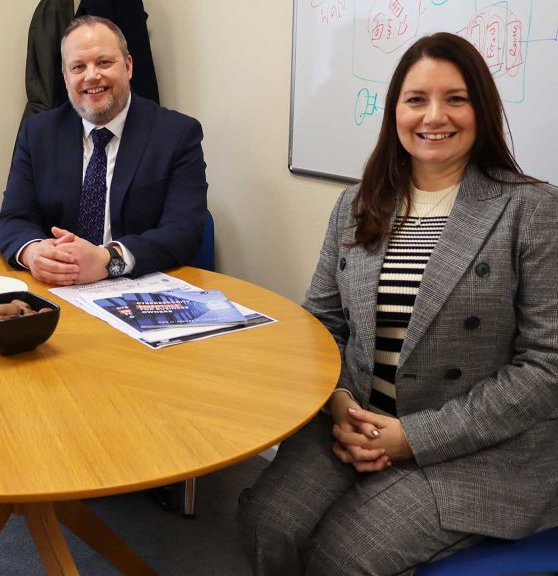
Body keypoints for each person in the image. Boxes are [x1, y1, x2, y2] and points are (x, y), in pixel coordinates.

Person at [236, 32, 558, 575]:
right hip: (356, 417)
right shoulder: (359, 204)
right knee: (268, 524)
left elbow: (546, 366)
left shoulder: (531, 208)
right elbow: (321, 323)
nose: (435, 116)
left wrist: (411, 437)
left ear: (482, 109)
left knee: (343, 556)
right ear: (395, 112)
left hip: (475, 444)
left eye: (456, 98)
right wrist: (340, 405)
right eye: (416, 99)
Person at [0, 15, 208, 286]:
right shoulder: (38, 133)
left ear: (128, 66)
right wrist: (34, 252)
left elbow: (185, 230)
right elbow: (13, 217)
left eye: (104, 62)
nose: (91, 76)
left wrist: (108, 259)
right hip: (58, 294)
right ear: (65, 76)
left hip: (140, 290)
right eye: (78, 67)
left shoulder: (177, 134)